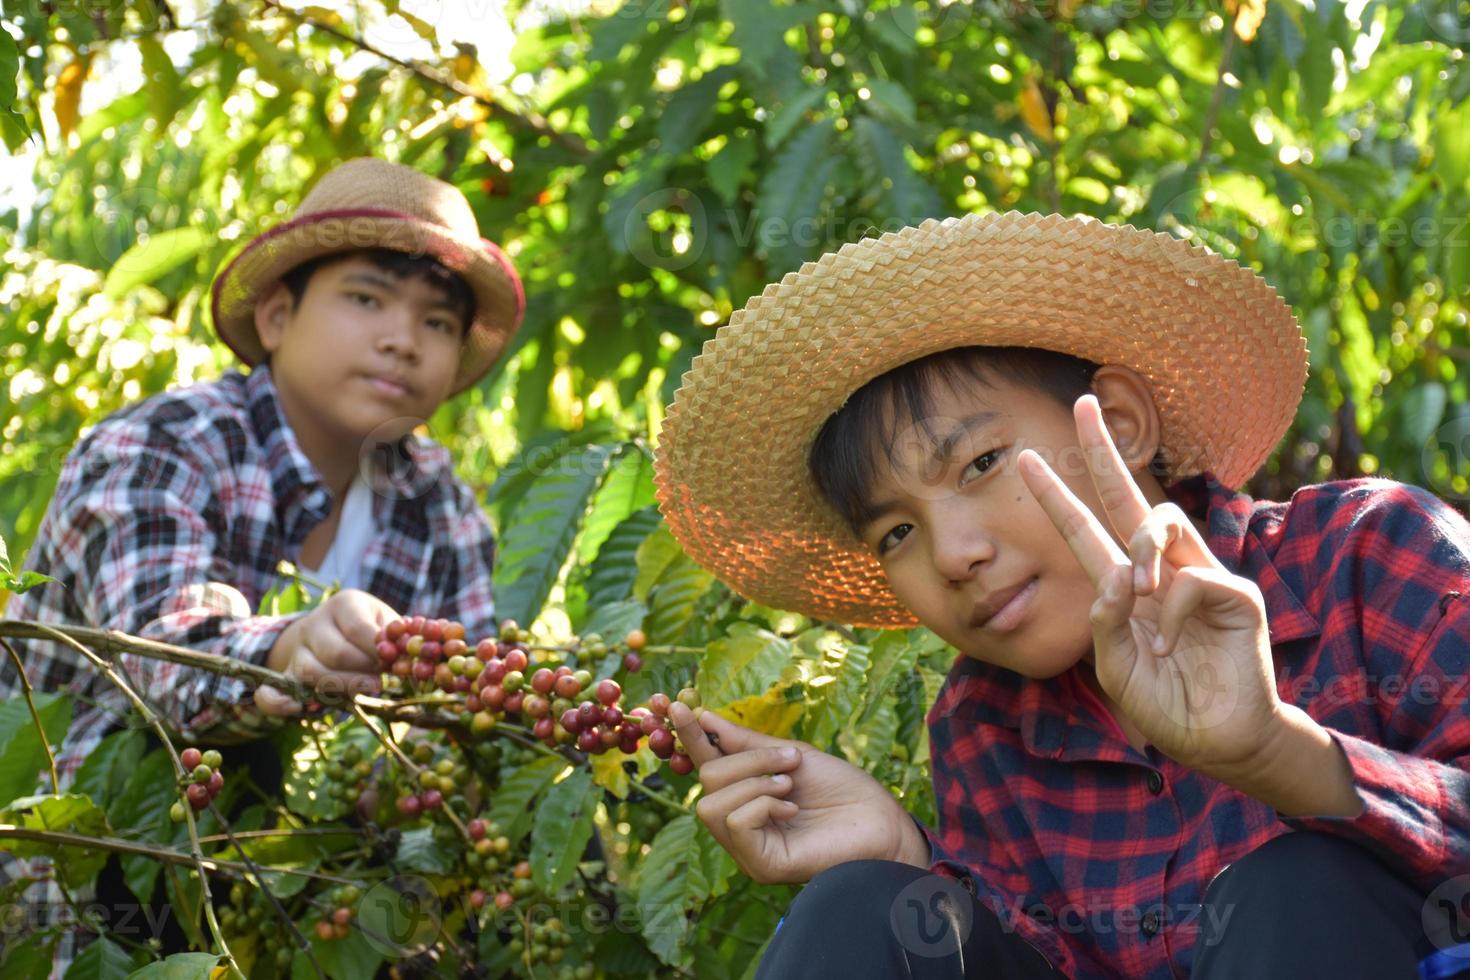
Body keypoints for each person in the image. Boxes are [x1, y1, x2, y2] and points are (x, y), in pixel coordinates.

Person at [652, 211, 1470, 978]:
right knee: (863, 908)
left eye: (980, 464)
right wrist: (904, 855)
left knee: (1300, 884)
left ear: (1117, 423)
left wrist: (1280, 754)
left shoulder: (1362, 553)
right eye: (895, 533)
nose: (953, 555)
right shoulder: (984, 725)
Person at [0, 156, 524, 975]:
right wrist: (288, 652)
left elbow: (468, 729)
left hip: (311, 904)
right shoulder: (161, 444)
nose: (402, 339)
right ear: (277, 316)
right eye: (366, 298)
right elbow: (158, 654)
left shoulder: (443, 506)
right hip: (88, 890)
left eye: (438, 323)